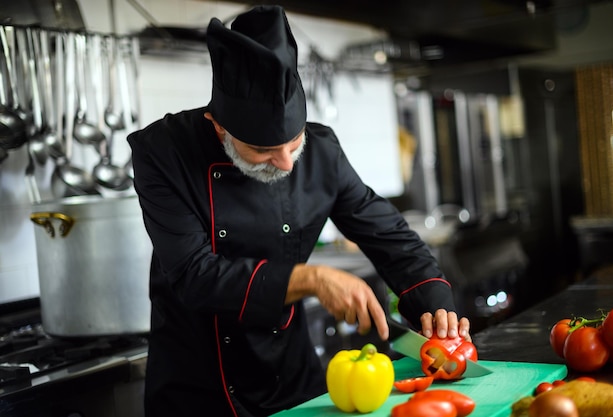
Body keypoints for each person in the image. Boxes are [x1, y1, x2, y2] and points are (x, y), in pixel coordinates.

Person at [128, 5, 471, 417]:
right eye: (264, 151)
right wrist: (311, 279)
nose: (288, 163)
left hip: (292, 381)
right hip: (197, 390)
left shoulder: (323, 151)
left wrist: (436, 306)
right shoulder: (164, 153)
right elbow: (194, 277)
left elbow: (388, 235)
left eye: (294, 142)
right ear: (220, 128)